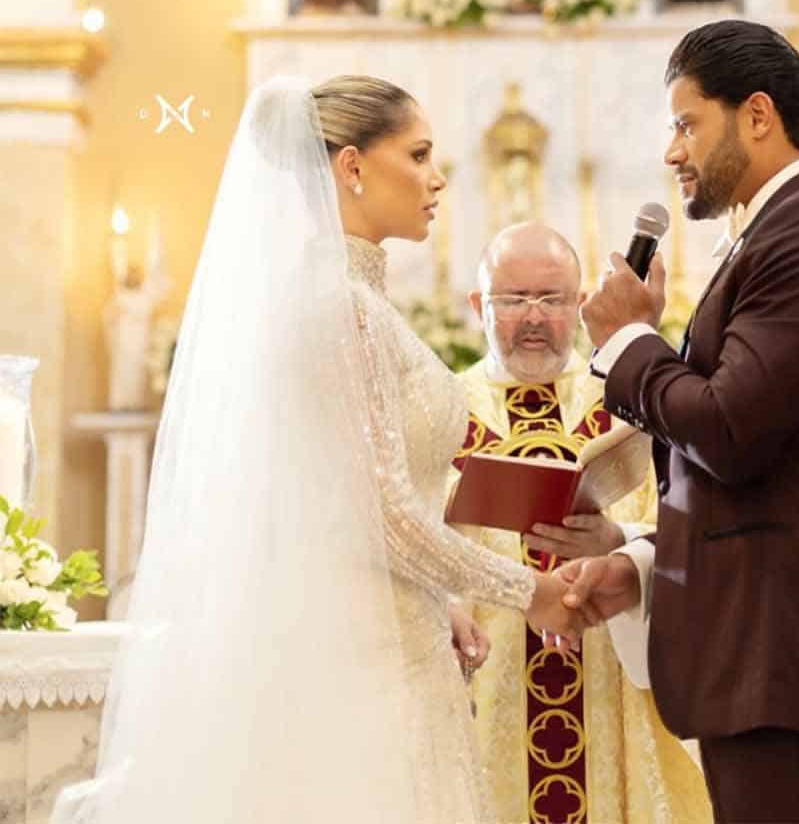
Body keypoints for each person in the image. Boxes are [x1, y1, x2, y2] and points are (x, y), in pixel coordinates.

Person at [53, 76, 581, 824]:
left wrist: (439, 604)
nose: (437, 179)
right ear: (352, 166)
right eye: (419, 154)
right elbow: (380, 515)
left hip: (389, 635)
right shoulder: (341, 307)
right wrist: (530, 590)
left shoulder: (345, 298)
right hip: (364, 662)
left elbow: (339, 504)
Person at [560, 21, 799, 824]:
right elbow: (760, 470)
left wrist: (627, 340)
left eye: (687, 123)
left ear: (757, 115)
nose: (672, 151)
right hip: (775, 658)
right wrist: (643, 559)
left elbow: (729, 430)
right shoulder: (776, 231)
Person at [448, 222, 710, 824]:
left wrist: (620, 542)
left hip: (611, 685)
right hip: (487, 687)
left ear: (581, 303)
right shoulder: (445, 410)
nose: (533, 317)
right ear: (477, 305)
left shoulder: (631, 402)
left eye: (553, 298)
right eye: (513, 299)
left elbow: (694, 528)